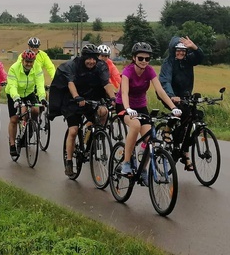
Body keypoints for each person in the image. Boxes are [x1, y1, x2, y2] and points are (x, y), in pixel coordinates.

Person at [116, 42, 182, 176]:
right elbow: (124, 92)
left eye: (147, 59)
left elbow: (160, 91)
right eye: (140, 58)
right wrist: (128, 108)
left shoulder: (149, 70)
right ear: (134, 58)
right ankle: (126, 163)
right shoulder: (128, 71)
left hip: (140, 106)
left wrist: (173, 107)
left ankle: (143, 170)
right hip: (124, 104)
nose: (144, 61)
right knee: (135, 125)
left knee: (150, 139)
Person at [50, 43, 116, 177]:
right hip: (73, 101)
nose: (92, 61)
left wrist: (114, 98)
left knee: (104, 111)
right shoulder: (73, 66)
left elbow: (106, 83)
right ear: (83, 58)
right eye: (88, 58)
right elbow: (70, 83)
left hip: (92, 99)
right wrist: (77, 97)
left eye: (94, 58)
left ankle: (96, 135)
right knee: (73, 130)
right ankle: (69, 162)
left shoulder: (101, 66)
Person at [158, 36, 205, 170]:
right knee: (180, 112)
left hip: (184, 96)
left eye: (183, 51)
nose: (181, 53)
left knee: (194, 117)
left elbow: (200, 58)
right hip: (168, 94)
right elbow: (165, 81)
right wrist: (172, 96)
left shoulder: (188, 60)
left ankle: (184, 151)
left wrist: (194, 47)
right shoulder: (168, 63)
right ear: (173, 50)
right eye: (178, 50)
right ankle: (167, 129)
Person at [5, 50, 46, 160]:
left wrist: (42, 97)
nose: (29, 64)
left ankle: (30, 128)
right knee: (14, 119)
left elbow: (40, 84)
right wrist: (16, 98)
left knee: (36, 110)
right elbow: (12, 85)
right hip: (14, 94)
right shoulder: (14, 68)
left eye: (31, 62)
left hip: (28, 93)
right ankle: (12, 144)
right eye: (27, 61)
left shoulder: (37, 68)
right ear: (22, 60)